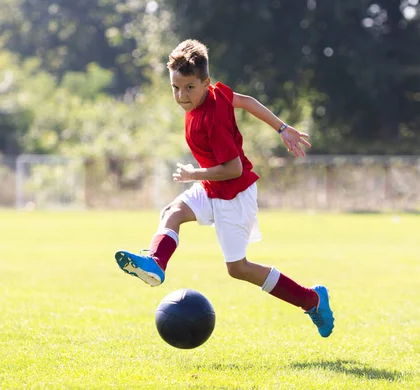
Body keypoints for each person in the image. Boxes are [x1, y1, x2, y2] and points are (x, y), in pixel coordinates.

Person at [114, 39, 334, 338]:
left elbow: (234, 169)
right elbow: (247, 101)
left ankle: (312, 300)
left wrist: (194, 173)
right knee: (173, 211)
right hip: (212, 186)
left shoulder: (213, 119)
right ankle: (155, 263)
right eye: (175, 88)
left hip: (234, 193)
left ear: (205, 82)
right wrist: (283, 129)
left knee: (238, 268)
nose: (181, 95)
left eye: (189, 87)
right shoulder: (216, 94)